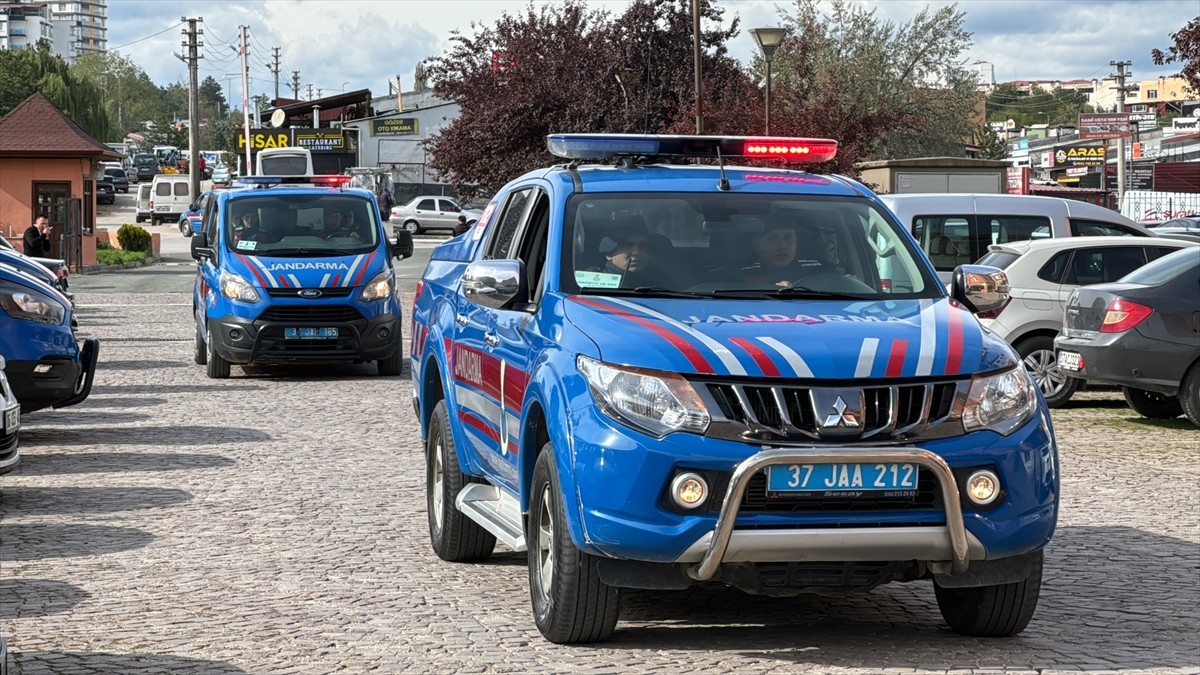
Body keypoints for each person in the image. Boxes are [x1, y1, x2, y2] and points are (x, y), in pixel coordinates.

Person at [740, 219, 823, 287]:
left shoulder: (820, 275)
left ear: (796, 242)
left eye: (788, 237)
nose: (782, 245)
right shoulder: (738, 280)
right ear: (756, 245)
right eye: (772, 238)